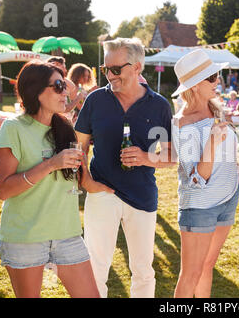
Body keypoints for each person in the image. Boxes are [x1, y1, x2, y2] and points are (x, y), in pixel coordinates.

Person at [75, 37, 174, 298]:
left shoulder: (160, 106)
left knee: (143, 269)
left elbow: (172, 157)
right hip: (101, 192)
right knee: (96, 266)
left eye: (116, 69)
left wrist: (145, 157)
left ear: (137, 67)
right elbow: (79, 147)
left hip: (141, 196)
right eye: (105, 69)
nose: (109, 75)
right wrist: (86, 182)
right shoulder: (96, 100)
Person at [0, 60, 99, 298]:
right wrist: (51, 164)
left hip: (67, 234)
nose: (66, 92)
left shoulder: (65, 129)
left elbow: (83, 181)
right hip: (25, 237)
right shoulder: (13, 128)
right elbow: (3, 190)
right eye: (59, 86)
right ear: (36, 91)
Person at [170, 49, 239, 298]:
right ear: (194, 85)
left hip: (227, 199)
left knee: (207, 266)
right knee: (191, 273)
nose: (217, 81)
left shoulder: (215, 109)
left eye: (216, 75)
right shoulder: (183, 122)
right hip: (201, 206)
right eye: (211, 77)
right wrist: (212, 142)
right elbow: (196, 180)